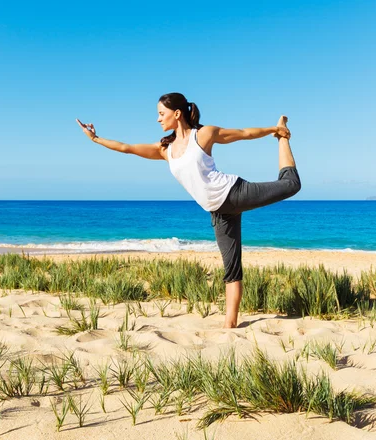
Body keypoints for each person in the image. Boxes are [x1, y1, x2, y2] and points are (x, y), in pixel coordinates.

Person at [76, 92, 301, 328]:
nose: (158, 119)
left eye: (161, 114)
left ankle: (282, 139)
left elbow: (243, 134)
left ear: (177, 113)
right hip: (219, 211)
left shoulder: (203, 135)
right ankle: (230, 325)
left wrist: (275, 131)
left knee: (291, 185)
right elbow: (127, 148)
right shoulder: (165, 149)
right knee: (231, 269)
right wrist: (95, 139)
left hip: (233, 192)